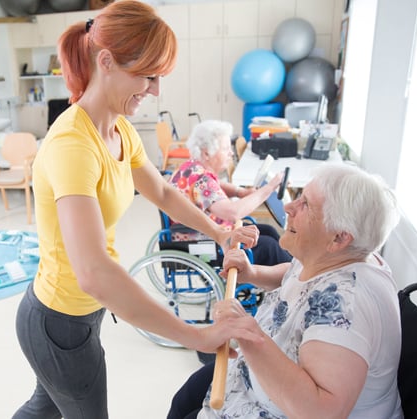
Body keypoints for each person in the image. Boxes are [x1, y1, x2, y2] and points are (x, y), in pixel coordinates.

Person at [13, 2, 263, 419]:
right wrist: (195, 335)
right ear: (106, 62)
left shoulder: (118, 127)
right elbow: (94, 272)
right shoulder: (73, 145)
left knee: (44, 410)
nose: (155, 90)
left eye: (158, 77)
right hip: (58, 321)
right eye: (148, 76)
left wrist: (220, 234)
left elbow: (162, 192)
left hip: (73, 316)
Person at [168, 163, 403, 419]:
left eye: (306, 205)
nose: (289, 207)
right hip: (253, 382)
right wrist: (253, 273)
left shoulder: (345, 306)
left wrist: (248, 334)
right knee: (185, 398)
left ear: (339, 238)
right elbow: (294, 273)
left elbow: (320, 412)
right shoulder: (336, 254)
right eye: (299, 197)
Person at [168, 119, 292, 267]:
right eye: (225, 148)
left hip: (205, 234)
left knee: (268, 231)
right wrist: (269, 188)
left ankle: (289, 267)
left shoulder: (193, 167)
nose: (231, 153)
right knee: (269, 247)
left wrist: (241, 192)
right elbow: (233, 213)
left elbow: (216, 185)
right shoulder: (202, 180)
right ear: (206, 153)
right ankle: (293, 277)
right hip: (206, 246)